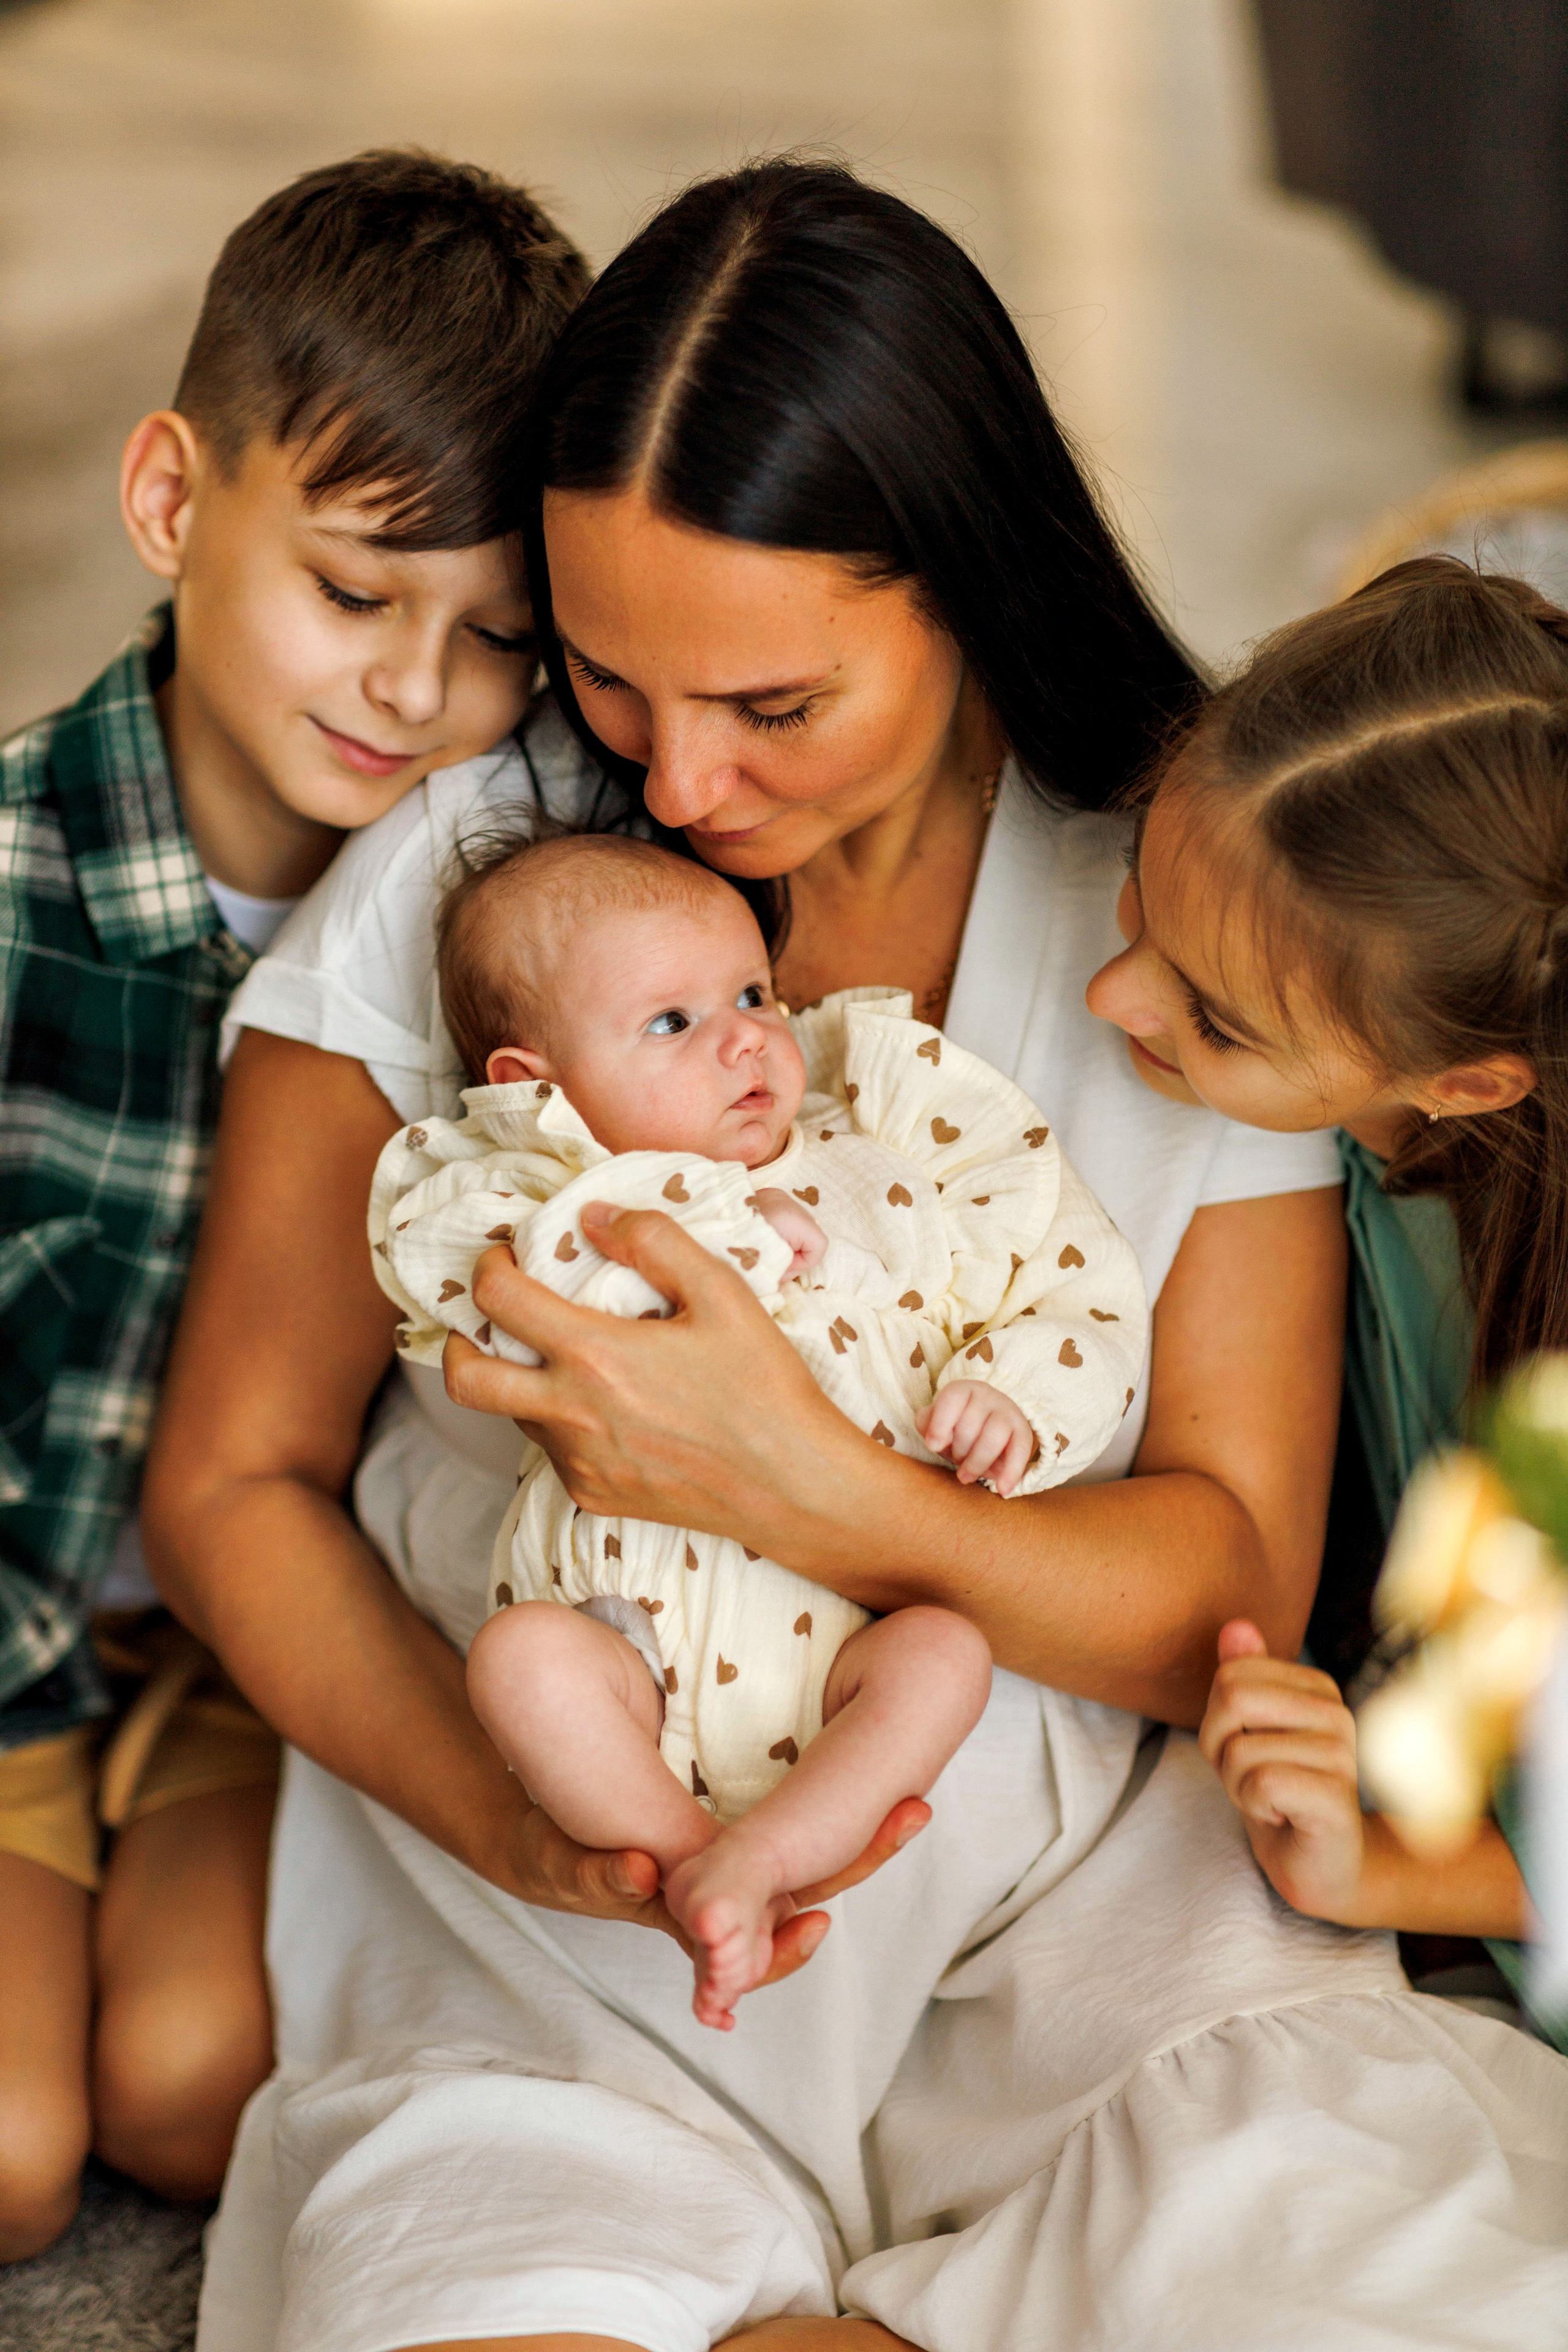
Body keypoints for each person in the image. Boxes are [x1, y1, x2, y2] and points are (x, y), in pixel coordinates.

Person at [145, 164, 1568, 2352]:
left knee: (1368, 2286)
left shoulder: (1176, 921)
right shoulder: (479, 867)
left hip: (1076, 1936)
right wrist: (516, 1828)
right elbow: (235, 1472)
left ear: (963, 590)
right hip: (569, 1922)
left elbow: (1221, 1566)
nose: (681, 783)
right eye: (614, 680)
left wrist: (810, 1487)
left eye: (772, 708)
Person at [0, 149, 586, 2260]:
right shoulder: (14, 893)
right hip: (15, 1646)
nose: (417, 691)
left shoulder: (504, 925)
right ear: (171, 504)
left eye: (495, 635)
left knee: (189, 2087)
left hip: (267, 1661)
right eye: (355, 592)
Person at [374, 827, 1144, 2026]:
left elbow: (1051, 1294)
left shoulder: (881, 1166)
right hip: (630, 1644)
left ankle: (767, 1855)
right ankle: (688, 1861)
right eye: (671, 1023)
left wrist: (1013, 1397)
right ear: (539, 1086)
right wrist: (696, 1221)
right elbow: (470, 1288)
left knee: (945, 1655)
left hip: (851, 1632)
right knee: (521, 1662)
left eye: (753, 994)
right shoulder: (523, 1191)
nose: (745, 1036)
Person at [1084, 554, 1568, 2041]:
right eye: (1135, 902)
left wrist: (1388, 1873)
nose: (1114, 1000)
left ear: (1466, 1081)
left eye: (1211, 1017)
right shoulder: (1360, 1136)